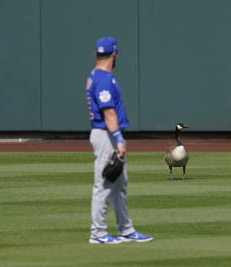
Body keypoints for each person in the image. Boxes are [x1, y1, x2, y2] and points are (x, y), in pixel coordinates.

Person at [86, 36, 153, 244]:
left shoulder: (95, 75)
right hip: (106, 134)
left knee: (119, 185)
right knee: (104, 184)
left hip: (108, 134)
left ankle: (126, 229)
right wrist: (118, 139)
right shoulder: (103, 78)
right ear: (114, 53)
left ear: (97, 53)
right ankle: (97, 233)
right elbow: (109, 113)